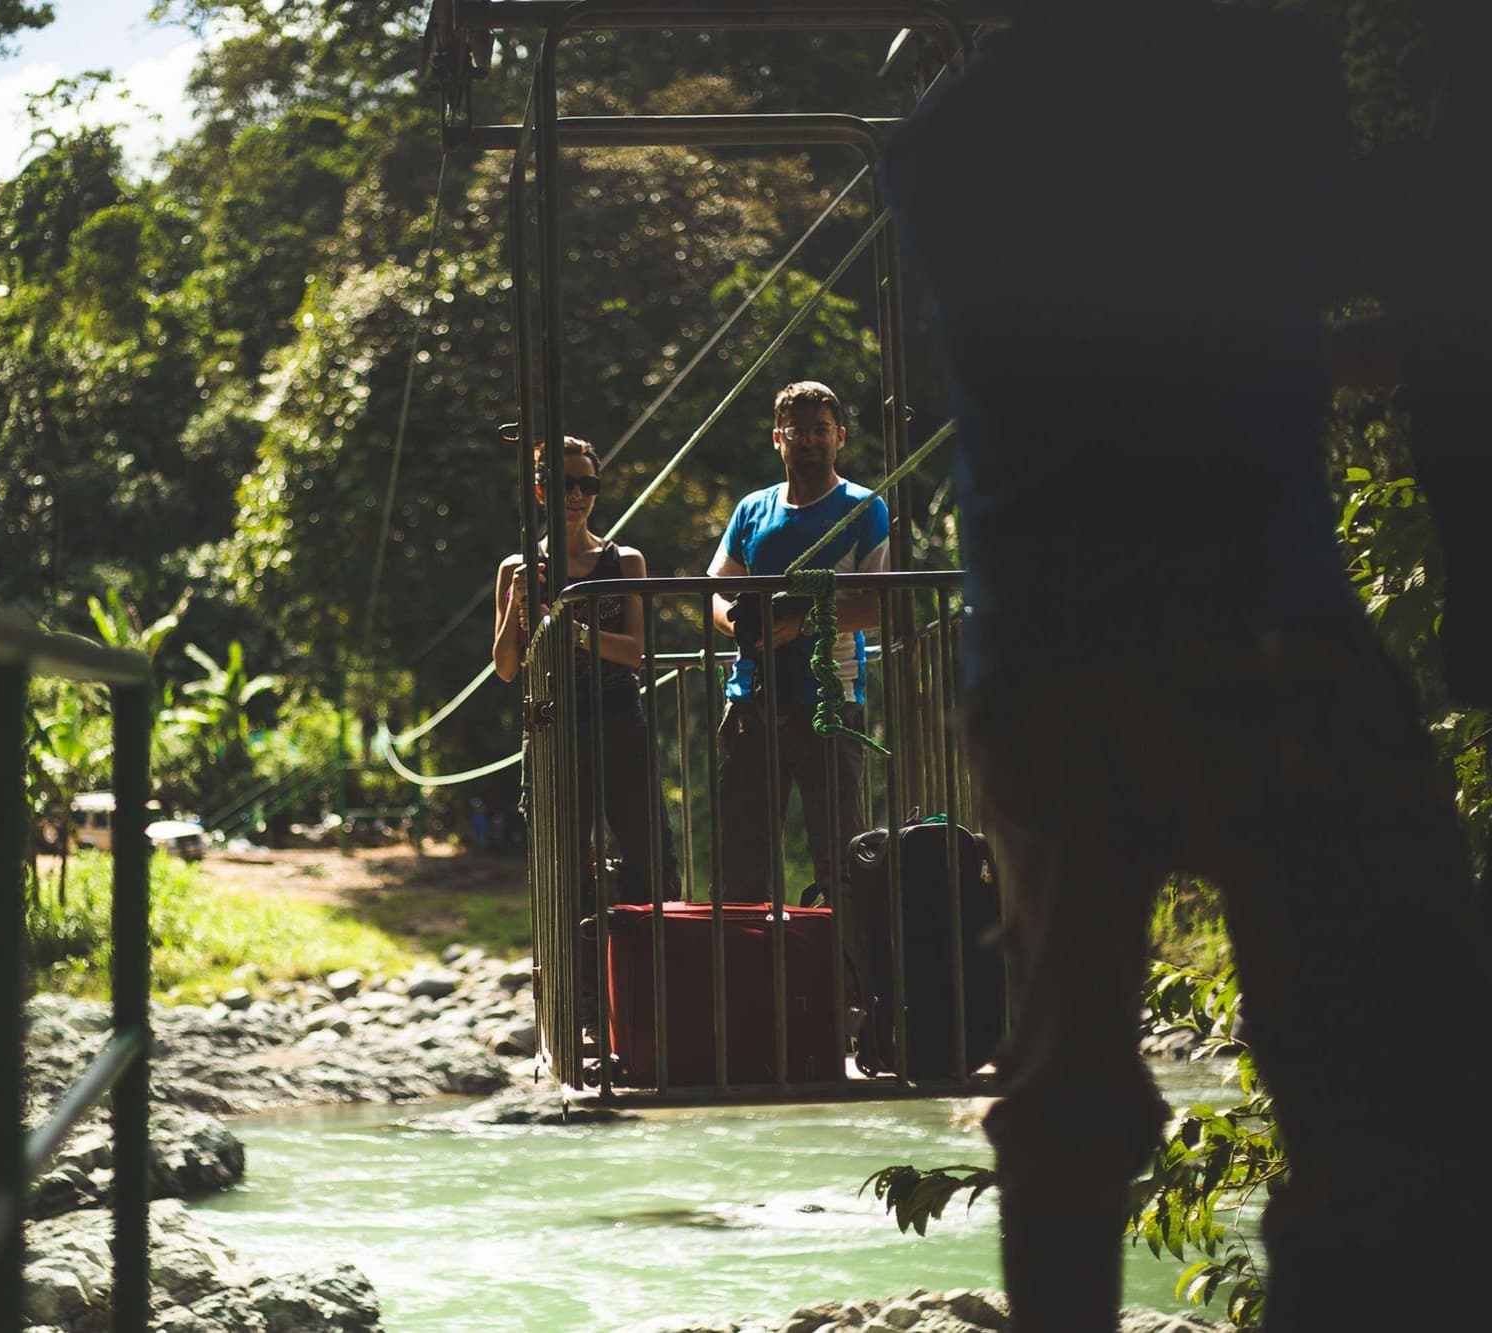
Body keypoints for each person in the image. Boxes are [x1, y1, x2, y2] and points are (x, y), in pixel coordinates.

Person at [879, 2, 1492, 1328]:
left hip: (1039, 652)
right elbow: (1303, 267)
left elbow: (1137, 332)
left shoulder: (943, 142)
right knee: (1389, 1062)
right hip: (1260, 618)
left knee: (1065, 1081)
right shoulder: (1260, 67)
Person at [706, 380, 887, 991]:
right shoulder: (752, 510)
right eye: (797, 431)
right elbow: (716, 587)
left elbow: (881, 604)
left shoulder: (864, 508)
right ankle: (748, 995)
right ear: (777, 438)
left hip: (829, 703)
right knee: (741, 859)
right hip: (750, 701)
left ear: (840, 436)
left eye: (820, 430)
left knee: (842, 856)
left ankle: (857, 996)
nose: (809, 441)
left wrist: (802, 622)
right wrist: (739, 623)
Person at [493, 435, 681, 907]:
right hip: (552, 724)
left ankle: (650, 948)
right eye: (565, 484)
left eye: (587, 484)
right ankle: (579, 956)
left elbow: (633, 652)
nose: (576, 495)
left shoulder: (625, 562)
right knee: (563, 865)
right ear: (541, 490)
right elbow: (507, 667)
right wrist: (518, 601)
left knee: (650, 856)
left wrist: (570, 630)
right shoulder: (517, 568)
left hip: (618, 718)